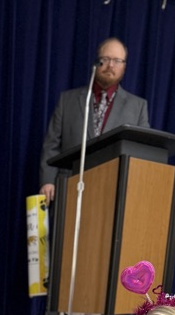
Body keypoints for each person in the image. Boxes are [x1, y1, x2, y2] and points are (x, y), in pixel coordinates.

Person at [39, 37, 150, 205]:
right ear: (96, 63)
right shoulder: (67, 100)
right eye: (105, 59)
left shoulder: (138, 107)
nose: (110, 65)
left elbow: (142, 156)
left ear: (124, 67)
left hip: (112, 195)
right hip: (69, 190)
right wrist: (47, 181)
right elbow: (52, 145)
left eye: (117, 61)